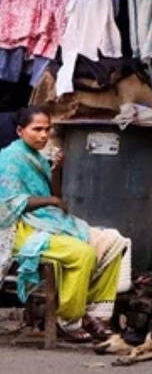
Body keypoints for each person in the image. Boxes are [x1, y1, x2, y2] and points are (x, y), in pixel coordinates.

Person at [0, 106, 124, 342]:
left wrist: (56, 169)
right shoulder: (9, 158)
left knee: (113, 241)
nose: (44, 135)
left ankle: (94, 314)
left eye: (47, 129)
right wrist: (51, 200)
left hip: (48, 222)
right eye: (37, 129)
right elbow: (7, 204)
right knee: (81, 253)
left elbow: (54, 196)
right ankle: (68, 318)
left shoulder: (37, 157)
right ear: (19, 130)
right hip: (19, 229)